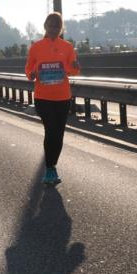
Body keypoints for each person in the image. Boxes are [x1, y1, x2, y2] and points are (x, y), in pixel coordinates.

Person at [25, 12, 81, 185]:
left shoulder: (68, 47)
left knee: (59, 133)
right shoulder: (36, 47)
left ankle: (53, 165)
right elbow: (28, 70)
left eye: (57, 26)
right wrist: (32, 74)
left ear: (61, 28)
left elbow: (73, 70)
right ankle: (49, 168)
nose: (54, 29)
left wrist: (75, 67)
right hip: (43, 97)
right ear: (45, 26)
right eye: (51, 25)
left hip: (63, 97)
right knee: (51, 131)